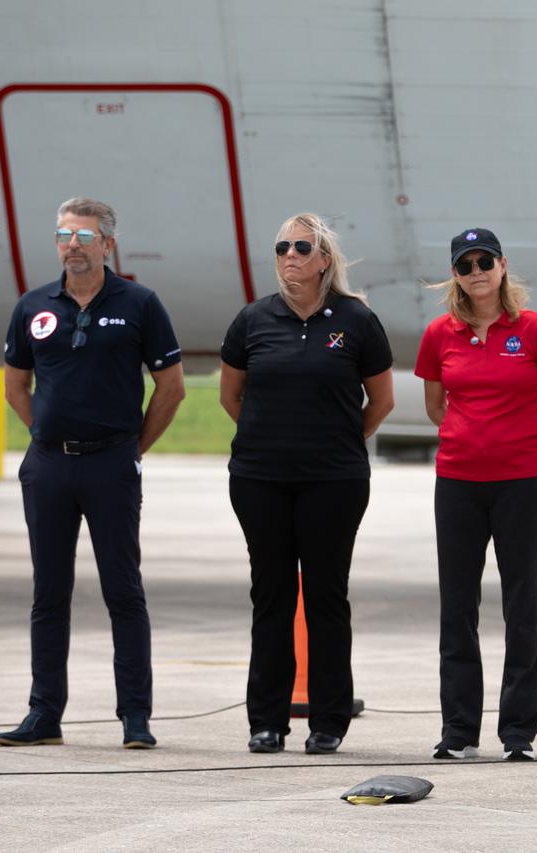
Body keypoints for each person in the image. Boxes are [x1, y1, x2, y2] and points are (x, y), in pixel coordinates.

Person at [0, 197, 186, 749]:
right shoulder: (33, 306)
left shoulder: (140, 304)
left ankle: (135, 717)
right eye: (63, 235)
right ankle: (43, 714)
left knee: (123, 592)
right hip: (49, 466)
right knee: (48, 594)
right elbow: (15, 385)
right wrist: (47, 437)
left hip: (112, 463)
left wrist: (132, 448)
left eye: (83, 236)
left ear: (108, 244)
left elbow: (171, 388)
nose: (71, 245)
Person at [220, 213, 394, 756]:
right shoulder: (253, 320)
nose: (290, 255)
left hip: (334, 482)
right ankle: (266, 722)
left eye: (302, 247)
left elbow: (381, 401)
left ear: (325, 260)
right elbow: (231, 398)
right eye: (281, 247)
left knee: (325, 597)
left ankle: (328, 722)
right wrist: (271, 442)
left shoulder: (356, 320)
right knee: (270, 595)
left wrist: (339, 443)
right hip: (260, 480)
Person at [415, 227, 537, 761]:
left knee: (520, 604)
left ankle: (518, 734)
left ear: (503, 266)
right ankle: (459, 732)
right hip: (458, 483)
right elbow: (436, 407)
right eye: (466, 264)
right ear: (455, 275)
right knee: (456, 607)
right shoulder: (440, 333)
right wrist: (472, 440)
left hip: (521, 484)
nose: (477, 270)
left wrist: (524, 441)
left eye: (486, 260)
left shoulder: (535, 330)